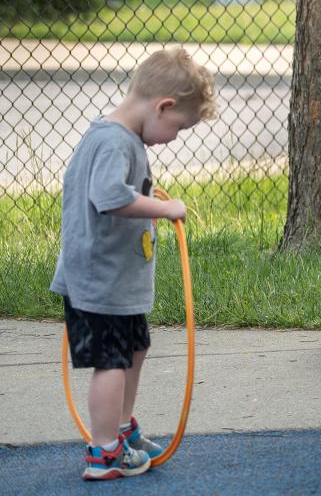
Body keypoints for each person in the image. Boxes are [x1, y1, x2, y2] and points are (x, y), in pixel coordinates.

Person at [50, 47, 216, 480]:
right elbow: (109, 198)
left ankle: (120, 429)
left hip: (116, 282)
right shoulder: (114, 142)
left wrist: (146, 196)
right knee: (111, 362)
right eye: (177, 126)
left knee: (134, 349)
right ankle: (103, 452)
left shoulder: (119, 139)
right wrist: (165, 209)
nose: (175, 137)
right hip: (99, 283)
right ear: (162, 106)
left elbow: (117, 190)